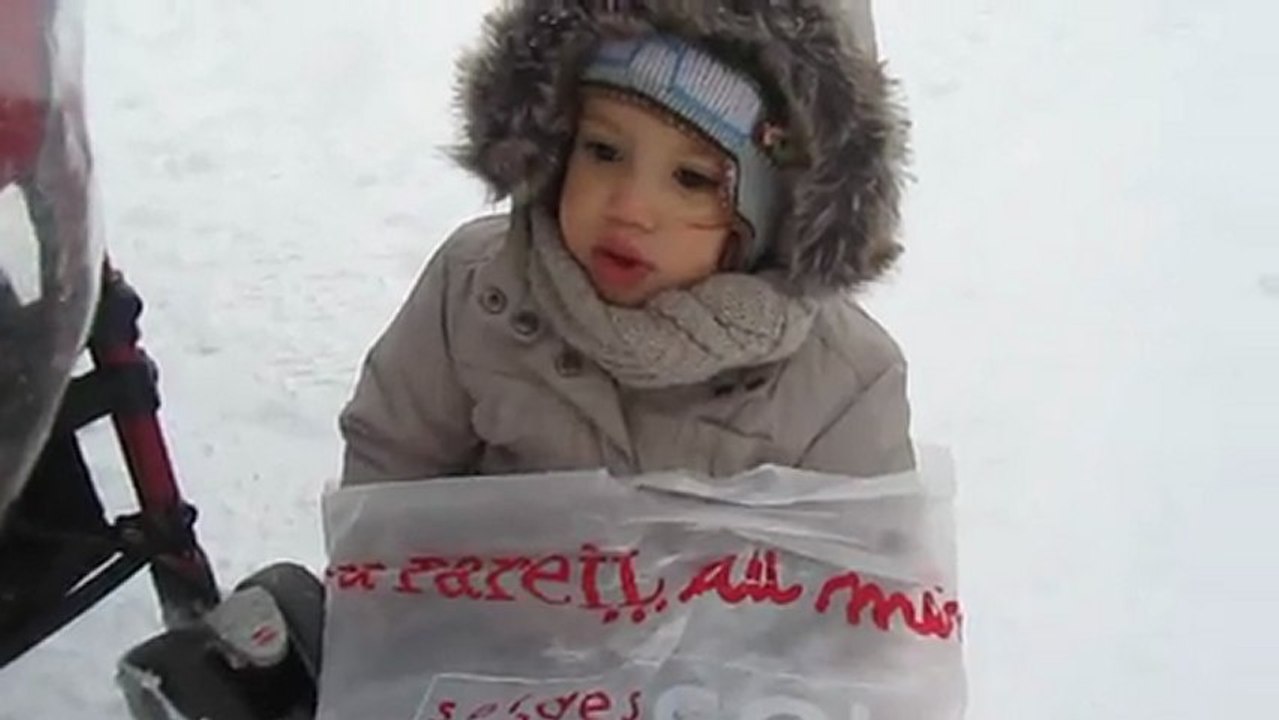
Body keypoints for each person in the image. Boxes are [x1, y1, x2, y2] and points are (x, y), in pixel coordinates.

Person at [339, 0, 914, 485]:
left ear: (774, 219)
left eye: (692, 180)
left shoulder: (842, 387)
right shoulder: (479, 294)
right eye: (603, 152)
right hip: (480, 618)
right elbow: (390, 470)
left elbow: (867, 589)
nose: (630, 209)